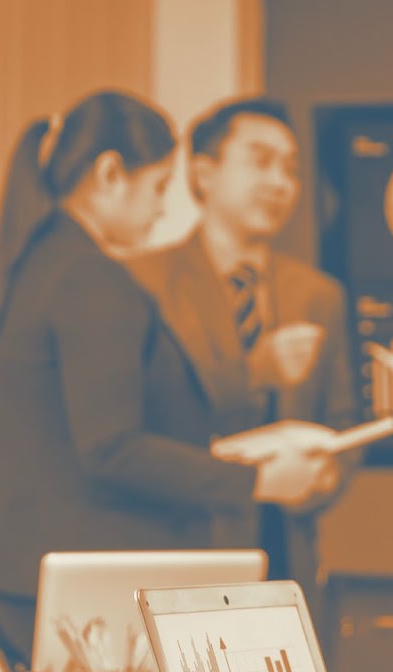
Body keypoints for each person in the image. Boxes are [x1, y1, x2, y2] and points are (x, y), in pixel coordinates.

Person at [0, 90, 322, 665]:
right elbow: (111, 447)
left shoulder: (29, 265)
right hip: (73, 567)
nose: (161, 210)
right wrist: (256, 482)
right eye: (158, 188)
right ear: (109, 174)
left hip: (12, 563)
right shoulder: (95, 280)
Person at [127, 97, 356, 613]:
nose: (280, 183)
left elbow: (341, 420)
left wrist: (325, 478)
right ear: (203, 173)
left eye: (291, 169)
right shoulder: (144, 283)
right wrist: (256, 371)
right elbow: (144, 422)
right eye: (261, 160)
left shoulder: (318, 295)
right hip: (181, 547)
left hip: (283, 553)